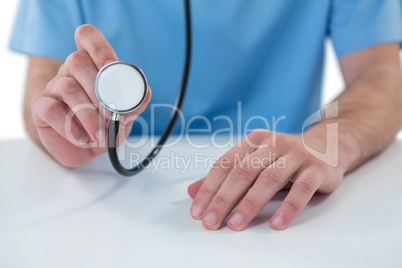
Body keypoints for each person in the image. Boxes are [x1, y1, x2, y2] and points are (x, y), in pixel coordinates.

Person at [10, 0, 402, 231]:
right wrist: (66, 124)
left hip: (280, 201)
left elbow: (381, 74)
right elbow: (43, 87)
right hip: (111, 206)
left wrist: (327, 143)